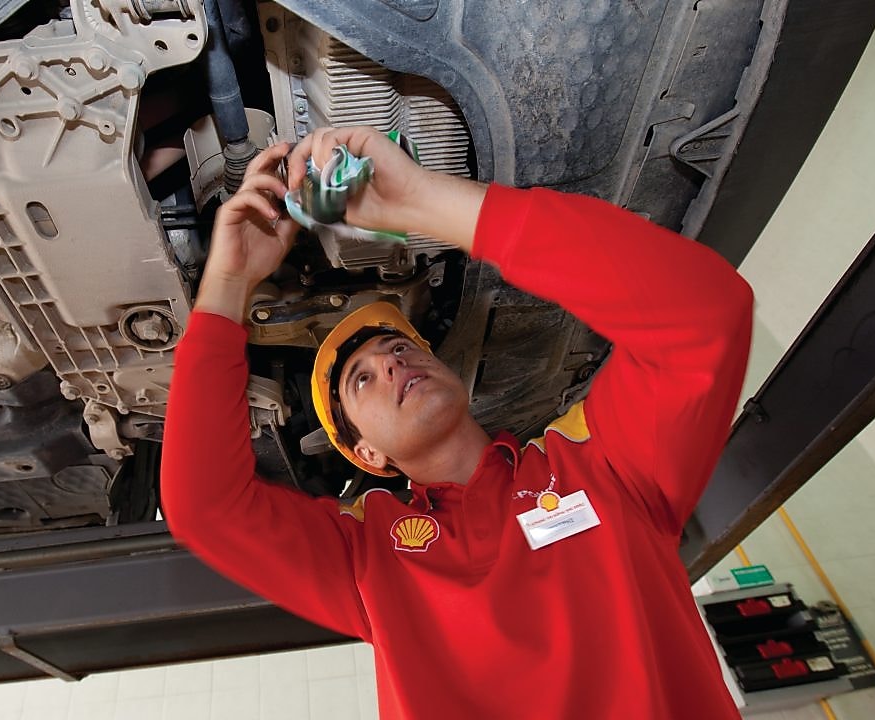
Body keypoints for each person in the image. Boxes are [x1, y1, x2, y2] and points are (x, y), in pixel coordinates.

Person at [161, 126, 753, 719]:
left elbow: (705, 317)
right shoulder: (367, 560)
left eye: (398, 347)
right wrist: (228, 284)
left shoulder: (601, 467)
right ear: (366, 454)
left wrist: (422, 202)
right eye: (361, 379)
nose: (391, 361)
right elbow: (206, 508)